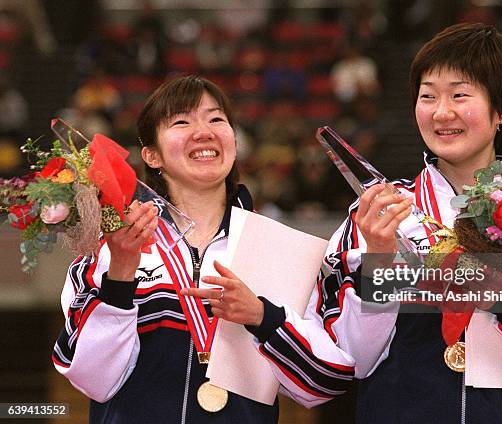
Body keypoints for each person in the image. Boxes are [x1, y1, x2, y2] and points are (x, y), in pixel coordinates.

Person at [310, 23, 502, 423]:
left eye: (459, 95)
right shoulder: (378, 213)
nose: (441, 112)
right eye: (428, 96)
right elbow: (350, 359)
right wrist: (379, 261)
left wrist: (498, 286)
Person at [52, 75, 355, 423]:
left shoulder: (279, 250)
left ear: (234, 142)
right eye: (182, 121)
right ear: (151, 155)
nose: (204, 131)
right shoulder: (109, 250)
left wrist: (262, 316)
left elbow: (322, 384)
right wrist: (121, 273)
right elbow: (93, 381)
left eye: (216, 119)